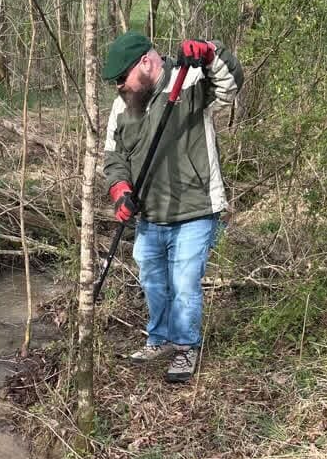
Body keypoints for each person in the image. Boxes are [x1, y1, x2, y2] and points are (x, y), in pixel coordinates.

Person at [102, 29, 243, 383]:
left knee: (183, 282)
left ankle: (185, 347)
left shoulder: (192, 80)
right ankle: (159, 338)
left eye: (123, 78)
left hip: (194, 209)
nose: (120, 87)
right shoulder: (124, 105)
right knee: (153, 280)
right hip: (150, 214)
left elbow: (231, 84)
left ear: (146, 62)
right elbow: (114, 157)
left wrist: (210, 53)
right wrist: (120, 191)